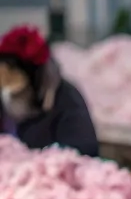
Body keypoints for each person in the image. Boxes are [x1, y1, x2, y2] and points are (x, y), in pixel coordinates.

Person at [0, 25, 99, 156]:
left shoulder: (65, 99)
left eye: (12, 77)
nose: (6, 85)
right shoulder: (5, 99)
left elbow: (83, 150)